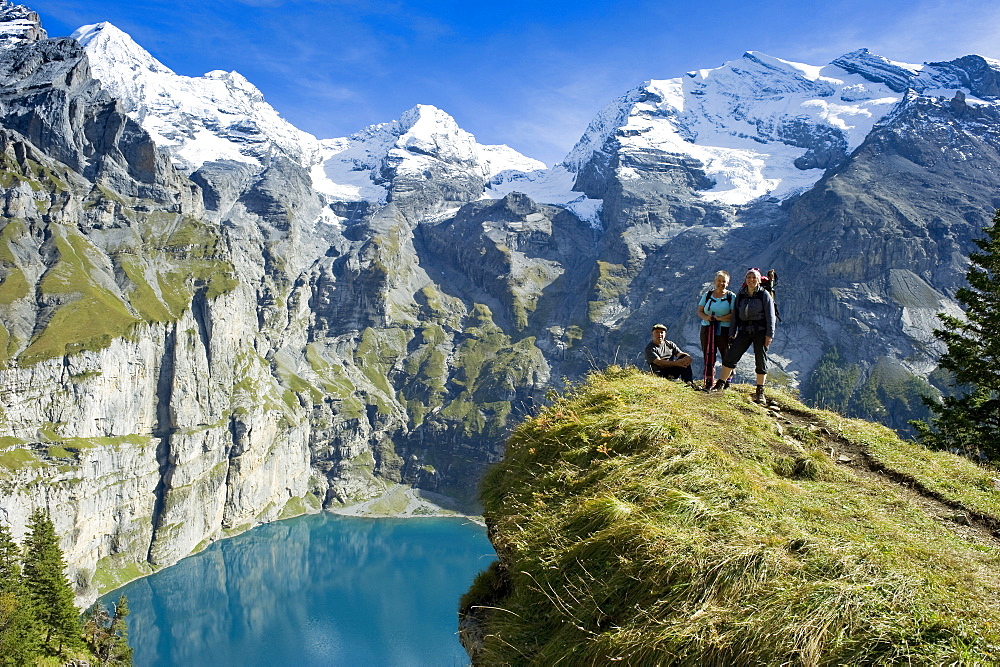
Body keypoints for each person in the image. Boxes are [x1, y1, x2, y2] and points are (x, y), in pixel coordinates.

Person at [712, 268, 777, 403]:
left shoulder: (764, 295)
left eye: (754, 278)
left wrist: (769, 335)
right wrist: (732, 333)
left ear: (759, 280)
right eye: (749, 278)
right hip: (743, 330)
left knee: (761, 359)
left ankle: (760, 391)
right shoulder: (741, 295)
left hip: (760, 330)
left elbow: (771, 317)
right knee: (731, 356)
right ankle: (721, 384)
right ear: (745, 280)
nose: (751, 280)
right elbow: (735, 316)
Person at [697, 270, 735, 391]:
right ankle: (709, 381)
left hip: (724, 330)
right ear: (715, 281)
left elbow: (734, 314)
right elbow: (700, 311)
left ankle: (726, 381)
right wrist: (706, 318)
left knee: (726, 354)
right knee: (708, 354)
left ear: (728, 283)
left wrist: (720, 319)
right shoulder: (707, 295)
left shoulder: (731, 297)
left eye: (724, 281)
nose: (721, 283)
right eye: (719, 281)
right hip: (707, 328)